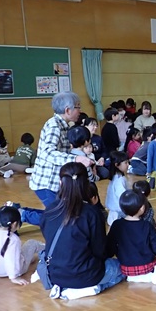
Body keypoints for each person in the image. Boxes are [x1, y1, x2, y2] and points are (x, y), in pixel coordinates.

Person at [40, 162, 125, 300]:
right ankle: (85, 289)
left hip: (54, 274)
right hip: (85, 274)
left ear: (61, 183)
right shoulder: (92, 213)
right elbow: (99, 251)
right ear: (86, 184)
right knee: (121, 268)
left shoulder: (50, 210)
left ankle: (65, 287)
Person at [28, 92, 92, 222]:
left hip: (56, 182)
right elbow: (47, 152)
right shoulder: (54, 126)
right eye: (78, 107)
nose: (80, 111)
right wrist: (76, 159)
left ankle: (20, 212)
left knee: (63, 213)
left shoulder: (64, 125)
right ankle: (21, 214)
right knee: (59, 217)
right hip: (46, 183)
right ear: (68, 110)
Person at [0, 204, 44, 286]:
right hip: (16, 271)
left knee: (20, 251)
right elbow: (11, 259)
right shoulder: (13, 239)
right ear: (14, 224)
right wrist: (14, 277)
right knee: (32, 243)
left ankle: (29, 259)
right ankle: (50, 249)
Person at [107, 190, 156, 284]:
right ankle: (149, 275)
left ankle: (133, 277)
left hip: (126, 267)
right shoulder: (147, 225)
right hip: (147, 265)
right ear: (142, 208)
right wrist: (152, 254)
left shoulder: (116, 225)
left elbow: (110, 246)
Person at [105, 151, 130, 226]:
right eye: (125, 163)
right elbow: (123, 196)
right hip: (118, 214)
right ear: (117, 165)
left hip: (114, 211)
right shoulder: (119, 180)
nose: (128, 165)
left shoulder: (116, 176)